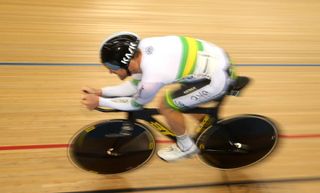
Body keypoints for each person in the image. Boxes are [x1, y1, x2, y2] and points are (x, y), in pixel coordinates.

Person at [81, 32, 236, 161]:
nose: (110, 72)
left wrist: (100, 102)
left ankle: (186, 147)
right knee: (180, 99)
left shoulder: (153, 76)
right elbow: (134, 85)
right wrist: (101, 92)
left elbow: (135, 104)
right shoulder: (141, 50)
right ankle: (206, 124)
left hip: (216, 78)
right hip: (214, 61)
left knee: (167, 106)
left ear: (127, 62)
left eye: (113, 67)